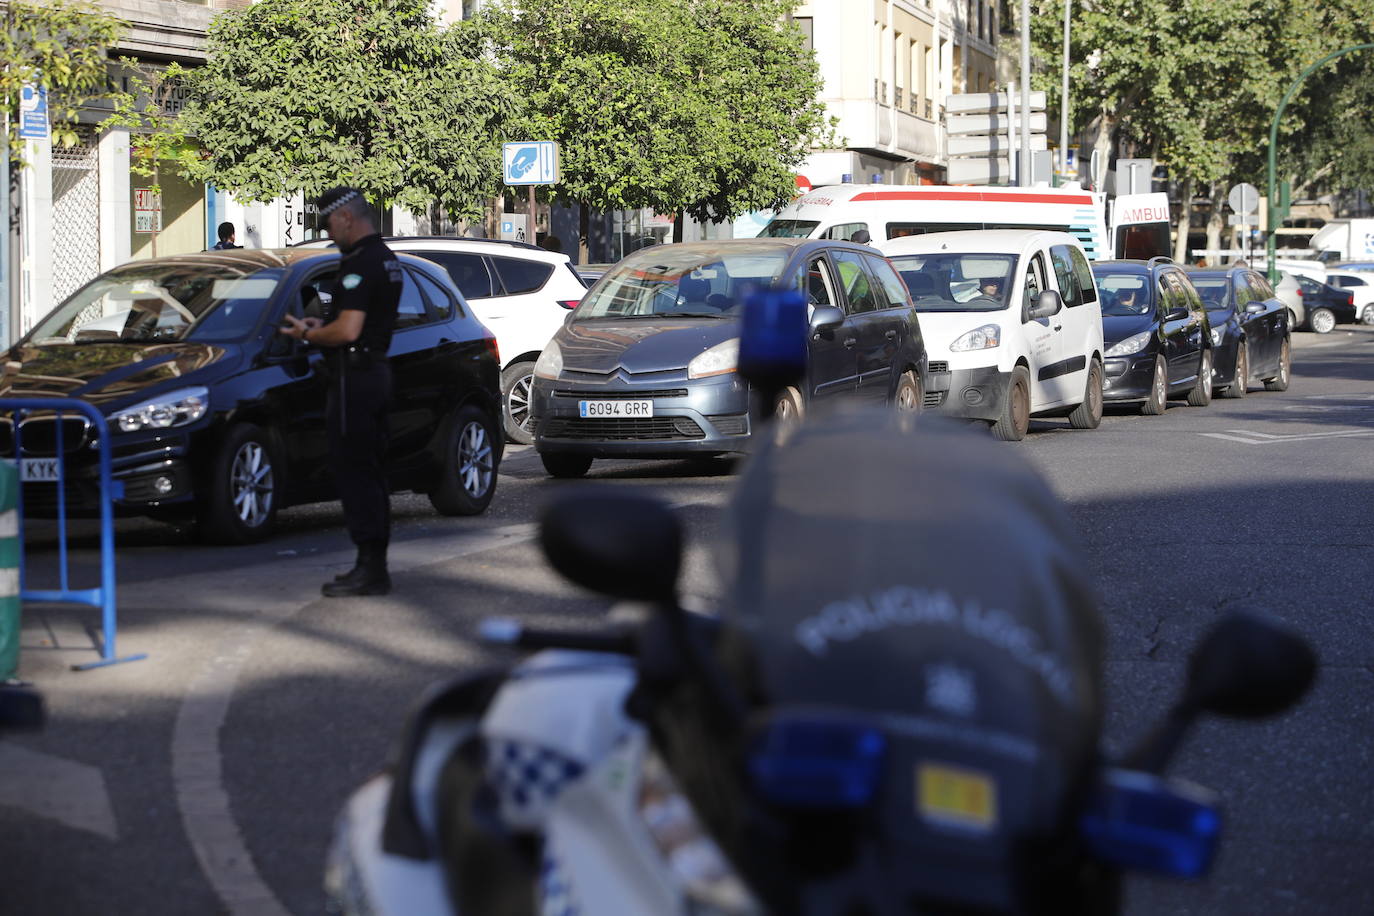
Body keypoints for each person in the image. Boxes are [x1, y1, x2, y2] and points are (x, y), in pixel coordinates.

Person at [279, 187, 402, 597]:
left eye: (330, 223)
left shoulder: (362, 262)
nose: (329, 233)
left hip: (355, 378)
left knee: (355, 471)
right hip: (373, 371)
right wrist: (321, 330)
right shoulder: (385, 259)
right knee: (370, 470)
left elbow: (348, 330)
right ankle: (371, 565)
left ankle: (370, 568)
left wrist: (311, 335)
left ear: (346, 217)